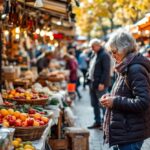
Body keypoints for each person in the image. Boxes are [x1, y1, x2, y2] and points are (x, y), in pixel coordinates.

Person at [100, 31, 150, 150]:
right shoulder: (125, 66)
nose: (113, 55)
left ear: (124, 49)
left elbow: (143, 102)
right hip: (126, 131)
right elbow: (126, 92)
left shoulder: (135, 69)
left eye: (114, 51)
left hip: (131, 133)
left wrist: (115, 101)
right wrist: (111, 96)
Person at [87, 39, 111, 129]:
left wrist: (102, 83)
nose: (91, 48)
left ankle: (105, 124)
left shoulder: (104, 55)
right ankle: (97, 122)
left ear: (98, 45)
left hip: (100, 84)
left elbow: (106, 70)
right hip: (92, 83)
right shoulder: (94, 54)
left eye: (93, 46)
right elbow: (91, 68)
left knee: (103, 104)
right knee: (94, 104)